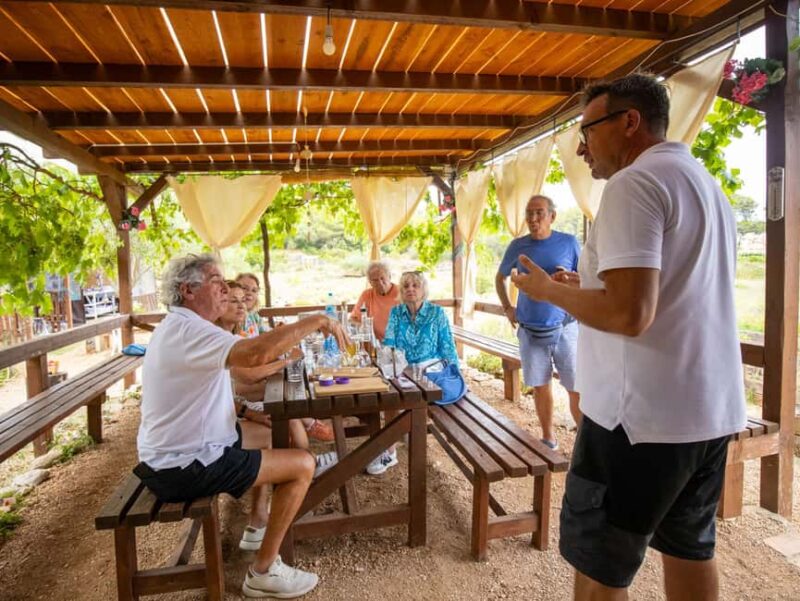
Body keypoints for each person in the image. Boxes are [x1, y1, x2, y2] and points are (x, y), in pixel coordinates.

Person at [511, 74, 746, 601]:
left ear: (629, 122)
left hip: (637, 424)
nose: (580, 147)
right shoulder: (706, 185)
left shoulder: (632, 184)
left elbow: (630, 312)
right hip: (706, 415)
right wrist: (585, 286)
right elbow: (671, 290)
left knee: (600, 569)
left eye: (588, 131)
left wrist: (548, 291)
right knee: (689, 550)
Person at [136, 254, 349, 599]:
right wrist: (316, 320)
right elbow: (253, 357)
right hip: (185, 463)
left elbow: (242, 378)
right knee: (302, 464)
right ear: (188, 290)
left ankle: (258, 524)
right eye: (216, 281)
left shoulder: (186, 327)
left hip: (181, 448)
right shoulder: (189, 329)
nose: (225, 287)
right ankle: (263, 571)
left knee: (282, 437)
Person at [496, 194, 581, 449]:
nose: (533, 219)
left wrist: (568, 279)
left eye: (539, 213)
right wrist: (507, 308)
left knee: (575, 386)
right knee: (540, 385)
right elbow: (499, 278)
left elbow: (585, 277)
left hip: (566, 327)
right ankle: (548, 437)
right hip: (531, 330)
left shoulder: (569, 243)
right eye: (529, 213)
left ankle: (583, 445)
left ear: (552, 216)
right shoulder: (517, 246)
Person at [374, 271, 459, 475]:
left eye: (415, 285)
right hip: (403, 368)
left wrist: (456, 372)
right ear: (401, 291)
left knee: (412, 397)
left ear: (423, 290)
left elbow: (447, 345)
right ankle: (390, 450)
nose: (410, 289)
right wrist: (386, 364)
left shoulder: (436, 313)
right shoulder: (396, 312)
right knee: (390, 394)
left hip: (429, 369)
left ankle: (408, 439)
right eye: (406, 286)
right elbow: (389, 343)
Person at [236, 272, 334, 443]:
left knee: (287, 385)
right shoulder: (233, 322)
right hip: (242, 384)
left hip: (254, 374)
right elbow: (251, 362)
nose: (249, 293)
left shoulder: (253, 317)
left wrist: (277, 334)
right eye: (244, 288)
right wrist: (285, 359)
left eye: (254, 290)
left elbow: (265, 339)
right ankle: (310, 425)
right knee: (285, 390)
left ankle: (309, 428)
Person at [349, 260, 398, 340]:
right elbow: (353, 320)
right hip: (375, 344)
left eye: (382, 278)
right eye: (375, 280)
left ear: (389, 277)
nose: (380, 283)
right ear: (370, 282)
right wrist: (364, 328)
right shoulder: (367, 295)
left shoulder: (402, 293)